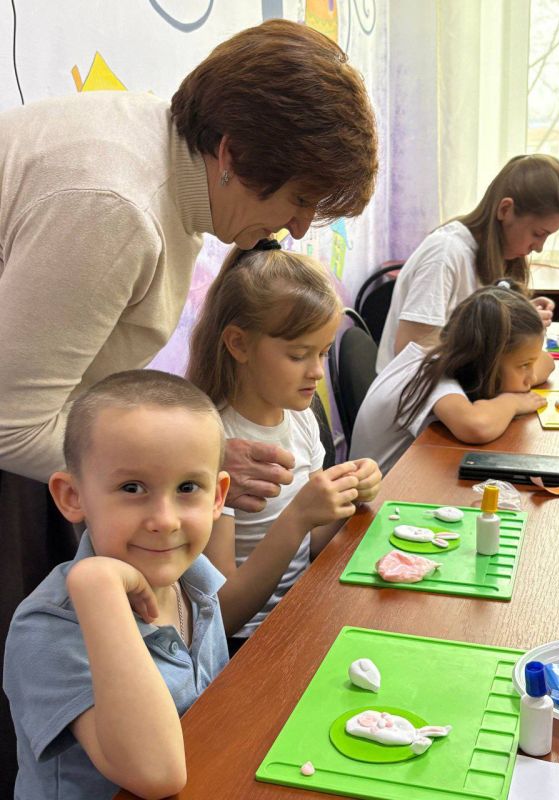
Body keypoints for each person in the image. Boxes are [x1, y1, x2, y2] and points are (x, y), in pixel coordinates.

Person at [0, 19, 378, 790]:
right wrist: (174, 463)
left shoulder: (161, 164)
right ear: (233, 152)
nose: (302, 226)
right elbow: (12, 421)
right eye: (301, 197)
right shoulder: (115, 203)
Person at [3, 369, 231, 800]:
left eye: (188, 487)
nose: (164, 520)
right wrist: (98, 587)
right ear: (73, 497)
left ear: (217, 496)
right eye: (132, 487)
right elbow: (154, 774)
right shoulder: (48, 628)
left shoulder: (193, 580)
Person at [187, 240, 382, 647]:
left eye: (324, 353)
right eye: (298, 356)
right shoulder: (216, 443)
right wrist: (298, 516)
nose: (316, 372)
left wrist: (349, 496)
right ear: (239, 344)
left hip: (302, 614)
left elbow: (312, 547)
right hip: (246, 645)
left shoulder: (300, 416)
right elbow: (220, 617)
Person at [376, 154, 559, 373]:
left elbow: (474, 323)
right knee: (538, 367)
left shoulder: (490, 255)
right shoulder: (445, 253)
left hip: (452, 388)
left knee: (544, 364)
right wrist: (505, 330)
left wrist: (520, 317)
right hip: (418, 397)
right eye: (538, 233)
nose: (539, 247)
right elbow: (410, 349)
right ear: (505, 210)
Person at [351, 283, 553, 475]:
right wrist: (512, 402)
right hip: (376, 500)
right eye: (524, 365)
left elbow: (548, 363)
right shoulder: (429, 376)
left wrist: (522, 368)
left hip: (407, 484)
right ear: (487, 362)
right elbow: (476, 426)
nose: (532, 376)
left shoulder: (451, 359)